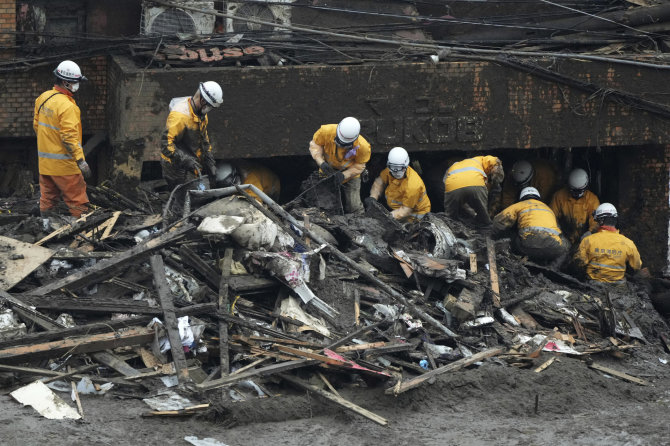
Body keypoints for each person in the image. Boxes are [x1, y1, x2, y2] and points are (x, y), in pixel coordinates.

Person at [33, 60, 91, 218]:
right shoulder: (68, 107)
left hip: (45, 164)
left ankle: (46, 227)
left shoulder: (43, 98)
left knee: (47, 198)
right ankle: (81, 234)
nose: (77, 86)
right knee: (77, 200)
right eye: (75, 82)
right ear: (66, 82)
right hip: (65, 166)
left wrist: (49, 145)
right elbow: (68, 137)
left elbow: (37, 126)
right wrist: (80, 161)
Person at [160, 81, 223, 190]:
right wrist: (185, 160)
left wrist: (210, 161)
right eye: (210, 106)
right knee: (183, 194)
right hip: (174, 164)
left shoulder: (201, 115)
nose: (210, 110)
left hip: (190, 160)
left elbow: (204, 140)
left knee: (197, 190)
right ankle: (177, 205)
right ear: (203, 101)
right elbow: (165, 144)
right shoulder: (180, 116)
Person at [309, 116, 371, 213]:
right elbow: (315, 145)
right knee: (324, 203)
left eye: (345, 144)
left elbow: (360, 166)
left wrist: (344, 175)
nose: (341, 145)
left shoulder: (363, 147)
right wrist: (321, 162)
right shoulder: (326, 131)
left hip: (350, 174)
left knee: (353, 206)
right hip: (327, 169)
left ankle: (359, 220)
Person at [492, 187, 569, 263]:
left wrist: (492, 235)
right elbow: (559, 231)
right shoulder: (548, 209)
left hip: (526, 246)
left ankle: (512, 259)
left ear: (522, 197)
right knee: (566, 246)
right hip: (552, 248)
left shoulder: (520, 205)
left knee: (509, 235)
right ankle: (554, 267)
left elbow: (499, 221)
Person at [572, 203, 642, 283]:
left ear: (601, 221)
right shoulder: (628, 243)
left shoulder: (588, 240)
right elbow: (637, 266)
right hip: (618, 286)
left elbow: (579, 264)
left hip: (593, 284)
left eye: (597, 221)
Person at [366, 147, 430, 222]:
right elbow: (379, 182)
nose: (396, 171)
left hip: (414, 217)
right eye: (393, 167)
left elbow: (405, 211)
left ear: (406, 166)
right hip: (397, 209)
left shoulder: (413, 185)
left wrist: (387, 217)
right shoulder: (390, 170)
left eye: (400, 168)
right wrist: (373, 197)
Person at [443, 154, 503, 226]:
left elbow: (444, 181)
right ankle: (487, 229)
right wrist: (496, 181)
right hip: (476, 184)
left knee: (450, 217)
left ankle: (448, 230)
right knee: (483, 215)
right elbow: (496, 162)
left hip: (452, 187)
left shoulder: (454, 165)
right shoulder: (482, 159)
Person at [550, 168, 600, 245]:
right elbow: (552, 217)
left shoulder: (592, 200)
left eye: (579, 191)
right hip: (563, 238)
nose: (576, 194)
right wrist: (558, 233)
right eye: (573, 190)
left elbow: (596, 222)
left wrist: (590, 232)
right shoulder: (559, 196)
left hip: (584, 240)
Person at [215, 160, 280, 202]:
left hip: (272, 186)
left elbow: (256, 202)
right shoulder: (237, 169)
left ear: (236, 174)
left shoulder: (251, 180)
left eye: (233, 182)